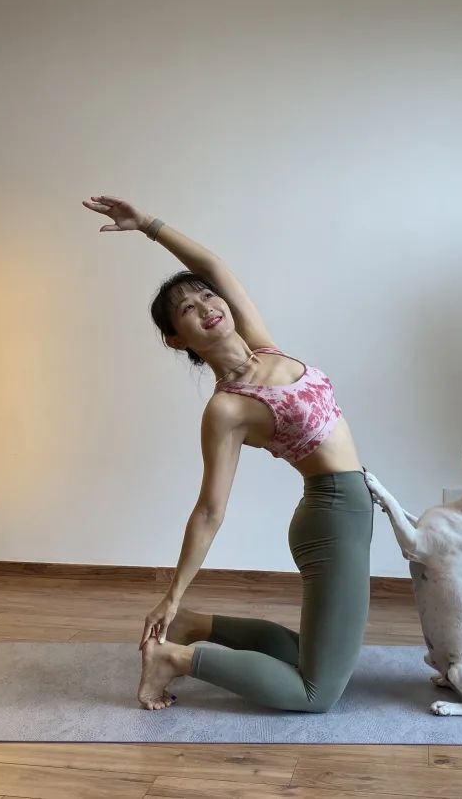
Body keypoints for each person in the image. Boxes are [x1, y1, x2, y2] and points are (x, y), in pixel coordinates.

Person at [81, 195, 374, 712]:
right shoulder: (227, 408)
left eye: (205, 298)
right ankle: (174, 659)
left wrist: (147, 224)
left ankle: (194, 626)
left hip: (348, 509)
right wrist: (172, 592)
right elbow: (209, 511)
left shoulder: (264, 346)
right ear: (177, 340)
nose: (205, 308)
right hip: (331, 517)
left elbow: (212, 266)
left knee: (308, 656)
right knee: (316, 694)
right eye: (187, 311)